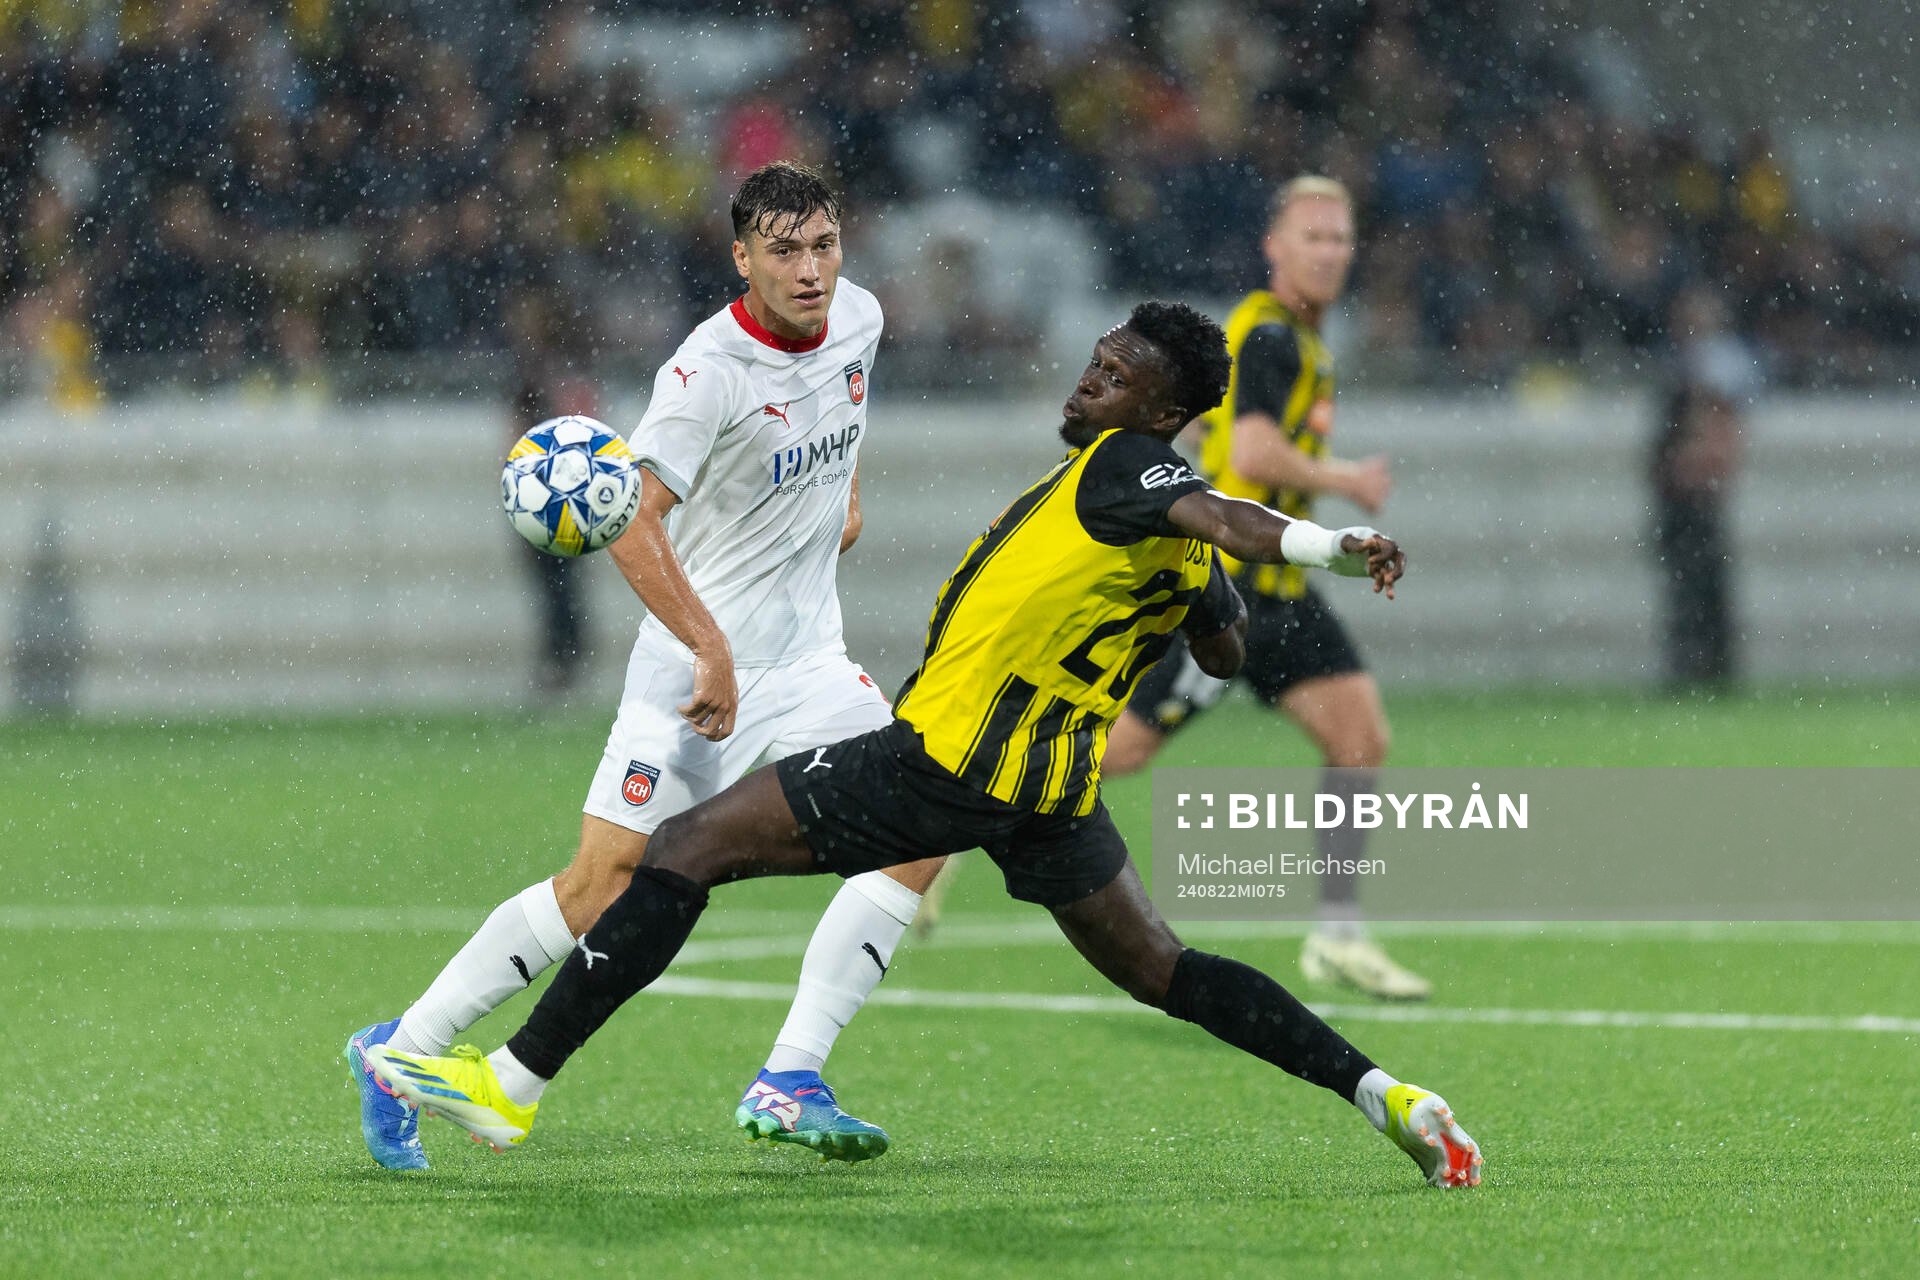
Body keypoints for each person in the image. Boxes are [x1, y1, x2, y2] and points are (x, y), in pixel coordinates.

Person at [363, 302, 1483, 1190]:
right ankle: (1382, 1091)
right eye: (1096, 358)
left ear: (1163, 407)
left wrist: (1334, 543)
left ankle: (514, 1078)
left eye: (1115, 371)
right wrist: (1199, 591)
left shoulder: (1126, 466)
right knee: (1164, 967)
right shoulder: (1163, 523)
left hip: (942, 761)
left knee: (686, 848)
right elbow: (1230, 647)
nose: (1089, 377)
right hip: (1050, 793)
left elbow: (1232, 517)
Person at [346, 161, 945, 1170]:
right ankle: (399, 1051)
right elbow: (630, 526)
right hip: (691, 674)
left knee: (930, 816)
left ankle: (792, 1072)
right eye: (786, 250)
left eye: (825, 244)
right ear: (742, 256)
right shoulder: (704, 373)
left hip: (810, 666)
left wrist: (839, 493)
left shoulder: (862, 320)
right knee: (602, 883)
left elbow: (838, 422)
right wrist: (709, 648)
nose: (811, 269)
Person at [1102, 176, 1431, 1001]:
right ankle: (967, 805)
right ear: (1274, 248)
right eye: (1312, 237)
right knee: (1119, 754)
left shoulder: (1299, 340)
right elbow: (1250, 454)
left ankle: (1340, 937)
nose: (1329, 252)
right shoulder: (1273, 338)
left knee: (1360, 738)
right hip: (1228, 591)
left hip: (1283, 589)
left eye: (1341, 238)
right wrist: (1348, 480)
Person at [1650, 287, 1750, 692]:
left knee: (1703, 589)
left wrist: (1699, 467)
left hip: (1700, 499)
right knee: (1687, 590)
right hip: (1681, 500)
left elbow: (1723, 431)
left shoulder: (1716, 369)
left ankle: (1711, 670)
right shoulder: (1680, 369)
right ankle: (1694, 668)